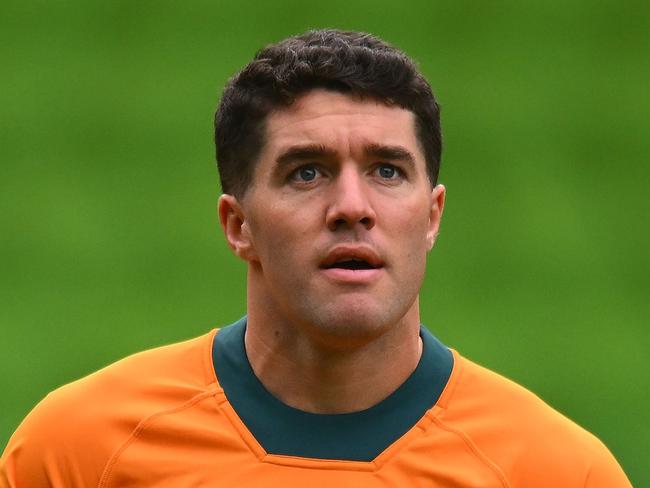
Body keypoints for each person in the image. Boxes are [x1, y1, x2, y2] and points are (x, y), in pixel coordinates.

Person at [0, 29, 631, 487]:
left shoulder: (557, 470)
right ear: (238, 224)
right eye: (308, 172)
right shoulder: (76, 455)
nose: (351, 207)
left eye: (387, 170)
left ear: (432, 216)